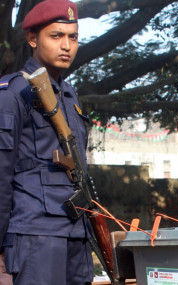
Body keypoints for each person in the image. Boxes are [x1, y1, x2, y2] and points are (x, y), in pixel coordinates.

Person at [0, 0, 94, 284]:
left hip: (76, 230)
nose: (66, 45)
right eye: (56, 36)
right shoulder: (14, 93)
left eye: (73, 37)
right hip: (35, 230)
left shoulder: (69, 96)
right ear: (32, 39)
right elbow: (1, 174)